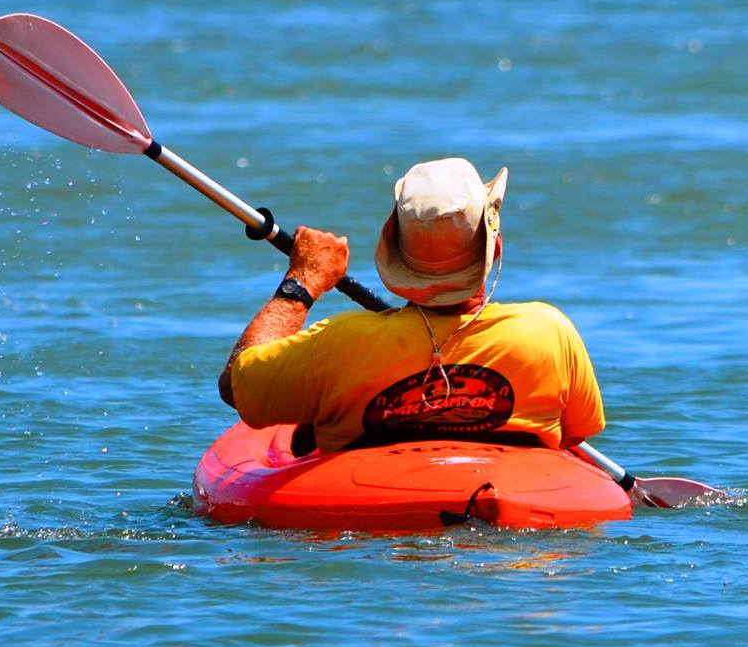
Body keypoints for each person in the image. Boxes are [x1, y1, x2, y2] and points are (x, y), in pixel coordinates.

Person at [217, 157, 605, 456]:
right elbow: (574, 434)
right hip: (507, 547)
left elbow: (237, 385)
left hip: (374, 534)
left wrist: (303, 281)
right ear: (494, 248)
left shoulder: (339, 343)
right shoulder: (549, 333)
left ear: (397, 253)